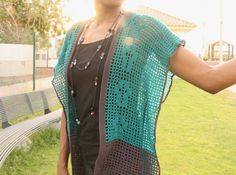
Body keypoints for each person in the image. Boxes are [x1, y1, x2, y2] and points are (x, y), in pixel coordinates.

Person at [52, 0, 236, 175]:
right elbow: (69, 104)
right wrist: (61, 163)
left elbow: (211, 78)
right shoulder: (74, 34)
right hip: (82, 159)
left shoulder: (143, 28)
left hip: (126, 160)